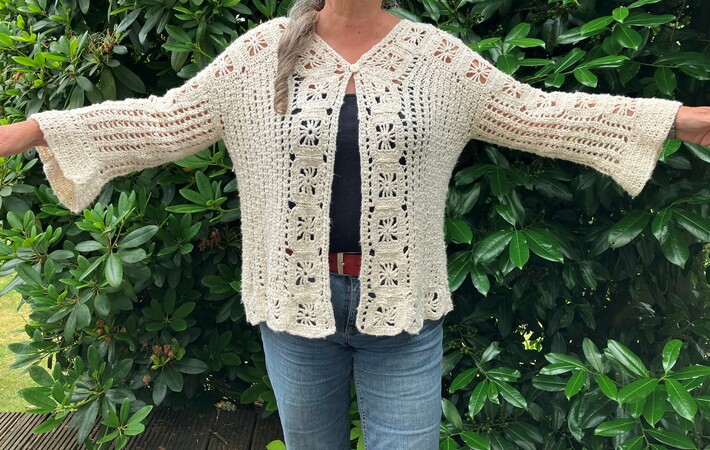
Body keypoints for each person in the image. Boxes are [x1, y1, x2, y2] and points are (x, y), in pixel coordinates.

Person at [1, 0, 709, 448]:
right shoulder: (261, 54)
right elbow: (164, 119)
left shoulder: (436, 58)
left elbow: (539, 113)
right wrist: (35, 130)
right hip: (294, 307)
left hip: (403, 309)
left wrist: (675, 120)